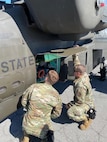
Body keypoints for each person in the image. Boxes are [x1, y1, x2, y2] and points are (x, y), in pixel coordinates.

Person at [21, 70, 62, 142]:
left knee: (26, 119)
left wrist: (29, 109)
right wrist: (49, 115)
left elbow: (23, 102)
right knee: (49, 132)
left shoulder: (33, 87)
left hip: (27, 125)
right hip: (42, 129)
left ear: (46, 77)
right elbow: (57, 114)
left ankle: (26, 138)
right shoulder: (56, 95)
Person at [66, 46, 95, 130]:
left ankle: (85, 118)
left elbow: (79, 101)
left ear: (78, 73)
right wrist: (76, 52)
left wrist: (70, 105)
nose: (73, 72)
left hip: (85, 103)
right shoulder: (84, 74)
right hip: (89, 99)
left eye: (74, 72)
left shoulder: (80, 86)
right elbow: (77, 63)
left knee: (70, 112)